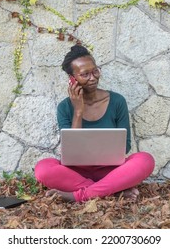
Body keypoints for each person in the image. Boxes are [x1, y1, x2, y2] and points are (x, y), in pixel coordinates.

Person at [34, 45, 155, 202]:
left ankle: (80, 195)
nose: (93, 78)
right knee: (43, 169)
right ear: (72, 79)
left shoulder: (117, 101)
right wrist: (78, 111)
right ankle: (112, 192)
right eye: (85, 74)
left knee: (145, 160)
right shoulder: (64, 107)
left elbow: (125, 146)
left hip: (111, 171)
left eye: (95, 71)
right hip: (76, 173)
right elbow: (72, 151)